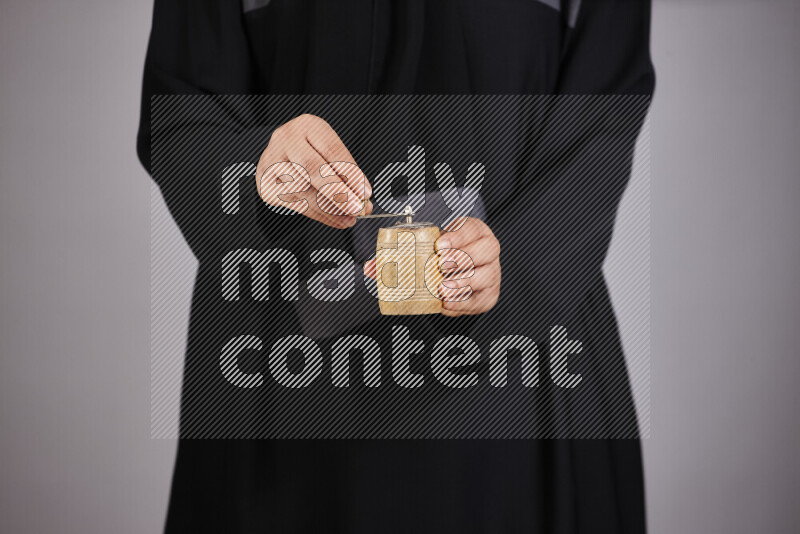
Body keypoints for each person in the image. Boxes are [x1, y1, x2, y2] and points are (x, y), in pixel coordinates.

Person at [138, 0, 655, 532]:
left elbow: (605, 111)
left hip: (524, 374)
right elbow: (180, 109)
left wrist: (514, 263)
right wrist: (257, 170)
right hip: (283, 374)